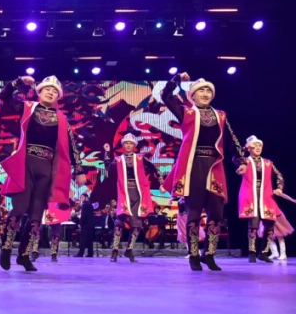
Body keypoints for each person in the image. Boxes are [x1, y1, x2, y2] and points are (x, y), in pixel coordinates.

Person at [0, 75, 86, 272]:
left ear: (58, 97)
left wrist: (79, 170)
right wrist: (18, 82)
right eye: (47, 89)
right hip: (25, 163)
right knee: (19, 209)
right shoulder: (27, 107)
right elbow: (4, 96)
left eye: (55, 91)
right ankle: (6, 248)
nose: (51, 92)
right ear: (39, 91)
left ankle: (24, 255)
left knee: (36, 216)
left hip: (47, 169)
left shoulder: (62, 119)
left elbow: (72, 146)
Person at [161, 72, 246, 271]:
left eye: (209, 90)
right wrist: (176, 79)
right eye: (201, 91)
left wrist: (240, 160)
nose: (206, 93)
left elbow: (231, 139)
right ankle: (193, 255)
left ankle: (208, 254)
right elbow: (166, 96)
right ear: (193, 95)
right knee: (194, 212)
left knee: (216, 213)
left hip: (214, 166)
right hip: (194, 166)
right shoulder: (186, 112)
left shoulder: (220, 115)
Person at [104, 134, 162, 263]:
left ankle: (129, 249)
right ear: (123, 145)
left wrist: (161, 181)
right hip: (124, 192)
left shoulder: (140, 158)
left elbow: (154, 168)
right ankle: (114, 250)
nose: (128, 145)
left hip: (138, 192)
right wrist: (107, 152)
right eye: (126, 143)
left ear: (134, 145)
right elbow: (108, 168)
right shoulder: (119, 159)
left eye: (131, 143)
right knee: (120, 221)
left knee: (137, 224)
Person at [237, 136, 285, 264]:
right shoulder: (244, 161)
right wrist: (244, 148)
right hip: (251, 196)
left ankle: (263, 253)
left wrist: (279, 188)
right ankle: (252, 253)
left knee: (270, 226)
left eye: (260, 145)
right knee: (253, 226)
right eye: (255, 145)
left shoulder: (268, 163)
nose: (258, 148)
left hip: (266, 196)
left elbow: (279, 175)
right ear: (249, 148)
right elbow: (235, 157)